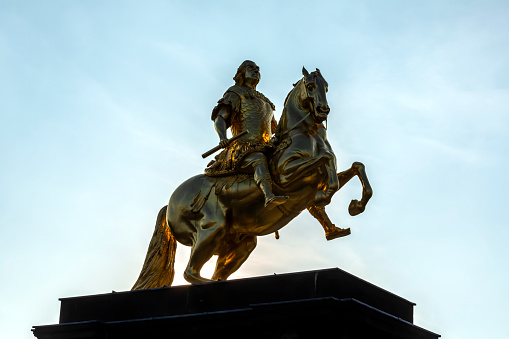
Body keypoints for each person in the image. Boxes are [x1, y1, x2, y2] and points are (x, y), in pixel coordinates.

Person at [205, 60, 288, 208]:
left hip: (266, 146)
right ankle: (269, 196)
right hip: (244, 148)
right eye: (251, 68)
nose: (256, 70)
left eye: (258, 69)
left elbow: (275, 129)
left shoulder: (264, 100)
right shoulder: (235, 92)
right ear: (242, 73)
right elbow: (220, 118)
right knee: (258, 159)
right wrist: (223, 138)